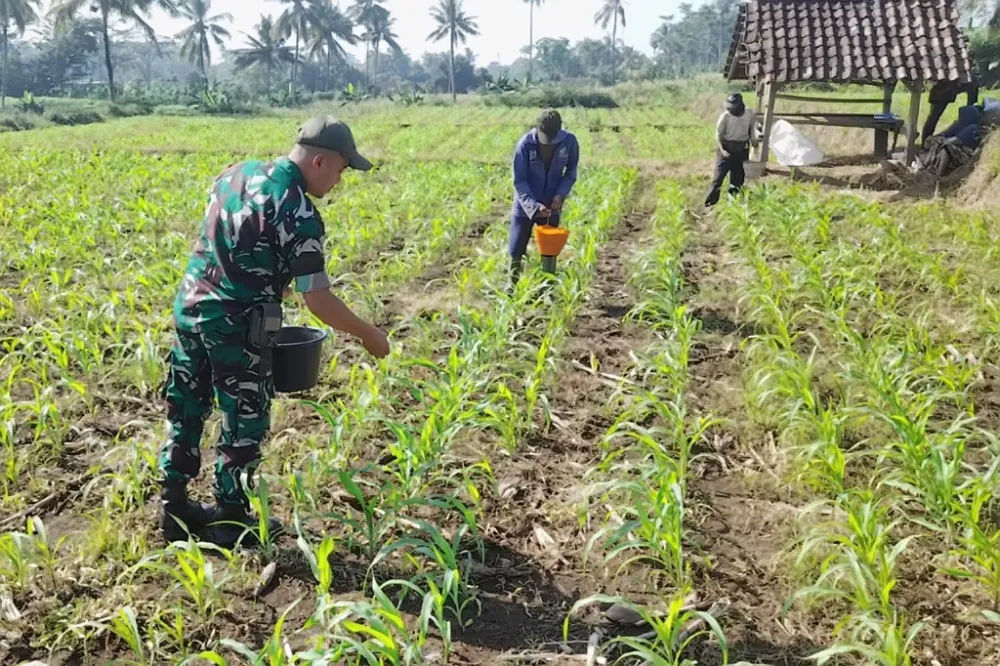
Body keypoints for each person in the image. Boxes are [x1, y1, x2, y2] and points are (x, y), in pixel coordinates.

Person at [158, 116, 390, 548]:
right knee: (243, 416)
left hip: (190, 309)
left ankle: (174, 507)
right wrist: (368, 334)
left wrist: (270, 276)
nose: (340, 180)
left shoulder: (235, 173)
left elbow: (230, 242)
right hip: (238, 323)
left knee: (187, 405)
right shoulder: (299, 211)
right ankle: (231, 517)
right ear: (320, 160)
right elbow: (317, 300)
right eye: (341, 169)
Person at [509, 109, 580, 286]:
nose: (548, 144)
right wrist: (533, 206)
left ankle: (546, 289)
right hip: (526, 204)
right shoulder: (525, 144)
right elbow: (520, 181)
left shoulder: (569, 142)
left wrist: (561, 194)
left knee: (550, 248)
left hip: (552, 204)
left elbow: (571, 172)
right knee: (516, 248)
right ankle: (512, 285)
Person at [705, 93, 759, 208]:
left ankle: (733, 204)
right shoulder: (725, 117)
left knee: (737, 180)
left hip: (741, 150)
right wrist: (723, 150)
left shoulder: (749, 114)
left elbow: (751, 130)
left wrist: (754, 143)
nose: (730, 109)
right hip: (726, 149)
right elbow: (718, 135)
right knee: (717, 179)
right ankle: (710, 204)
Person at [921, 78, 979, 143]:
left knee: (933, 117)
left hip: (948, 85)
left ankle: (926, 141)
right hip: (941, 89)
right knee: (933, 117)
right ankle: (925, 142)